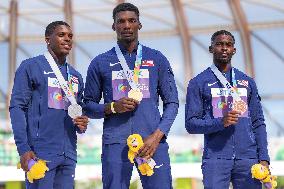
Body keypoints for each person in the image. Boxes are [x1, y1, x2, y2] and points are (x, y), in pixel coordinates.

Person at [84, 3, 179, 189]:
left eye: (131, 21)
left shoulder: (157, 59)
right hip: (115, 144)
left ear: (139, 25)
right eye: (121, 21)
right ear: (114, 26)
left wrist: (157, 136)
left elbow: (173, 102)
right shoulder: (99, 63)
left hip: (152, 143)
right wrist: (113, 107)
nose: (126, 25)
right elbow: (87, 105)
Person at [185, 30, 270, 189]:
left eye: (228, 45)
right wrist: (220, 122)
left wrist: (264, 158)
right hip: (216, 159)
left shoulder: (247, 82)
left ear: (234, 50)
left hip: (248, 159)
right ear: (211, 49)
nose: (224, 48)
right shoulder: (198, 82)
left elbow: (258, 122)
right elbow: (191, 124)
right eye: (219, 44)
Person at [9, 21, 88, 189]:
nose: (67, 39)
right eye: (61, 35)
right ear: (47, 39)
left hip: (69, 153)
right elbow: (17, 108)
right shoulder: (30, 66)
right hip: (40, 153)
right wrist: (23, 149)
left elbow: (78, 110)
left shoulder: (75, 75)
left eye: (70, 36)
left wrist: (82, 124)